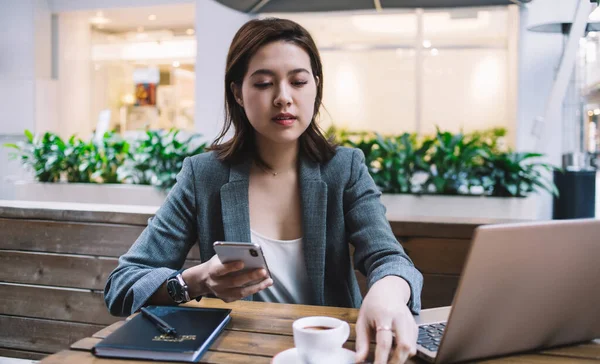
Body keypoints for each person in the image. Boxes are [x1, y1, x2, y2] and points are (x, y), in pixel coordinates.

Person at [104, 17, 423, 364]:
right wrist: (196, 281)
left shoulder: (343, 169)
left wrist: (387, 293)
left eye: (298, 81)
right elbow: (122, 285)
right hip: (240, 354)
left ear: (316, 87)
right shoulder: (204, 175)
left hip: (332, 355)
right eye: (264, 83)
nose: (283, 98)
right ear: (237, 93)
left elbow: (389, 257)